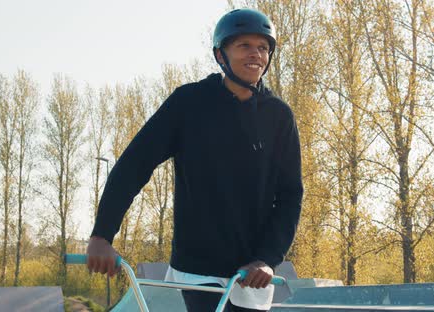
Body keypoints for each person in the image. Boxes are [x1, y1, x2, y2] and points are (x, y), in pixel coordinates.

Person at [86, 8, 303, 312]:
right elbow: (134, 165)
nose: (256, 54)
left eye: (263, 47)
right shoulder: (188, 103)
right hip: (197, 268)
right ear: (220, 54)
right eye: (244, 46)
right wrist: (102, 234)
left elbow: (291, 194)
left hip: (252, 272)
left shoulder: (279, 116)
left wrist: (268, 258)